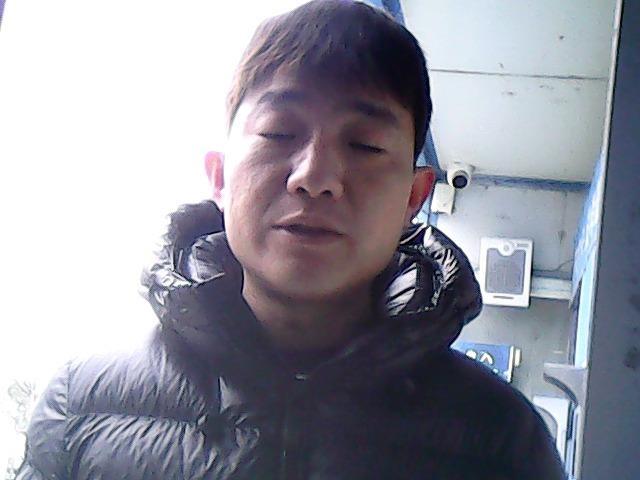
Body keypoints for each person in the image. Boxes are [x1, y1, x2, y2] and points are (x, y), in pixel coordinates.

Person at [17, 1, 567, 479]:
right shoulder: (78, 410)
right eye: (279, 133)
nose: (315, 176)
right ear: (220, 177)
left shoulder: (503, 443)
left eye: (365, 145)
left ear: (413, 198)